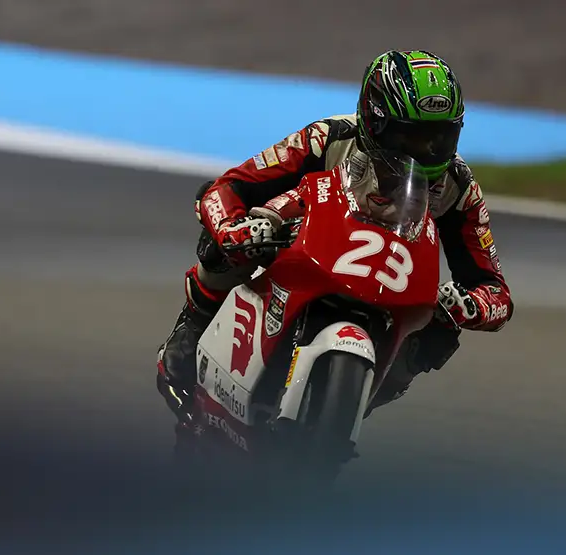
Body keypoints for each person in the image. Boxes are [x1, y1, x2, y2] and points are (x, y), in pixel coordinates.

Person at [156, 49, 513, 420]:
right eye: (410, 136)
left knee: (441, 331)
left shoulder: (459, 188)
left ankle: (357, 400)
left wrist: (469, 305)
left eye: (439, 138)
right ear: (375, 120)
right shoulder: (328, 137)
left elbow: (496, 291)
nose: (424, 151)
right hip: (305, 243)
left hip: (392, 283)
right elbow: (227, 187)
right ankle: (193, 325)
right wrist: (234, 228)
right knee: (229, 242)